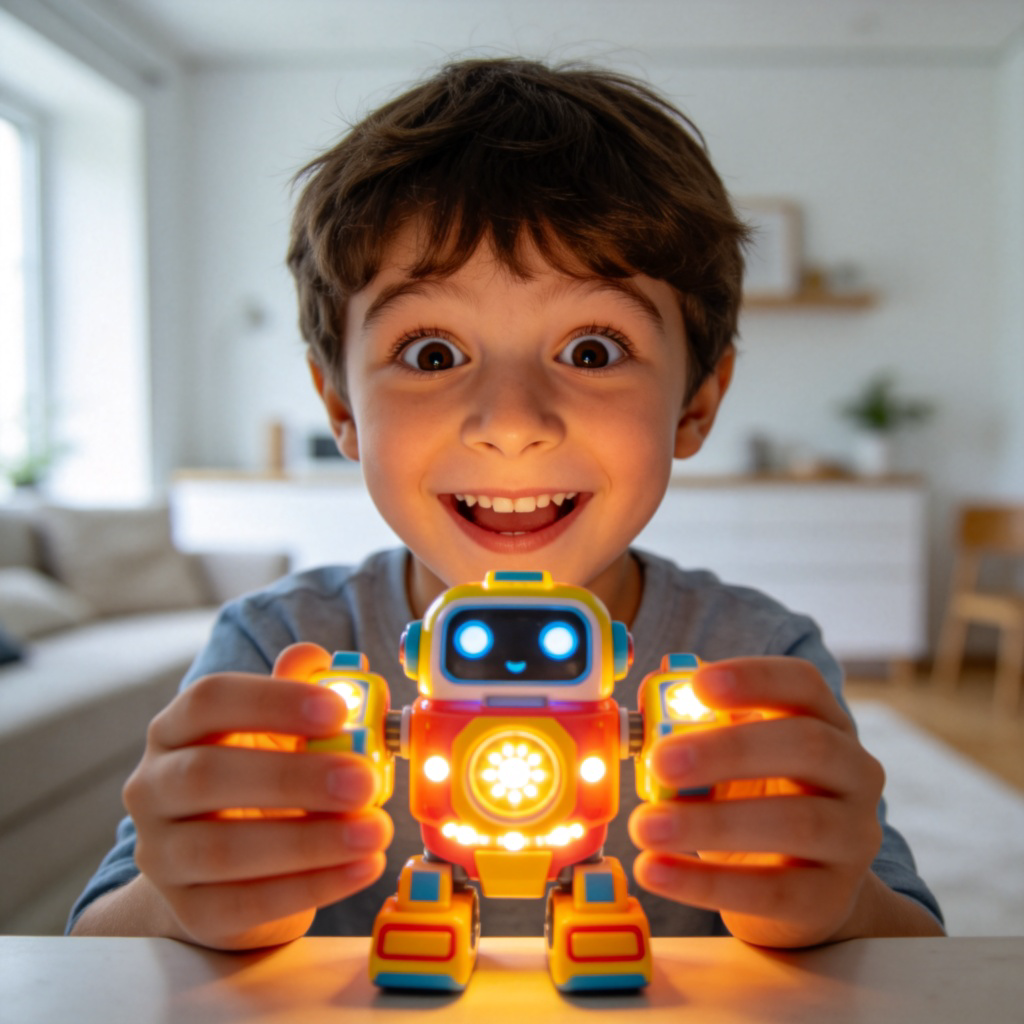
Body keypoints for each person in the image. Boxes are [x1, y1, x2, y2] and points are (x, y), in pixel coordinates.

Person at [69, 57, 944, 952]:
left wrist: (834, 908)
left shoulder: (754, 663)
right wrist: (181, 901)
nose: (513, 425)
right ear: (341, 409)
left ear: (696, 404)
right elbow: (101, 949)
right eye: (433, 354)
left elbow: (910, 948)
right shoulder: (273, 655)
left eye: (594, 350)